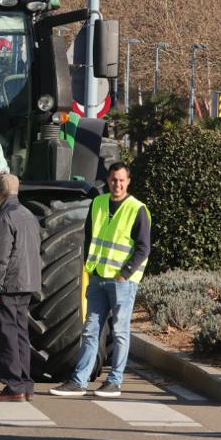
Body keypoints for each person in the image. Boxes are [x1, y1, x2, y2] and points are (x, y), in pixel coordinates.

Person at [51, 162, 153, 399]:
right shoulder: (97, 203)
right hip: (98, 277)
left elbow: (143, 247)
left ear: (128, 182)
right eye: (113, 179)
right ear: (107, 180)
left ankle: (115, 382)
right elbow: (89, 237)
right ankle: (79, 381)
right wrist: (89, 265)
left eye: (121, 180)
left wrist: (125, 273)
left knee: (119, 332)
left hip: (122, 282)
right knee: (90, 330)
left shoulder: (137, 209)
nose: (117, 184)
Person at [0, 172, 42, 401]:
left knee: (6, 335)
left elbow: (0, 256)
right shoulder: (28, 214)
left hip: (8, 284)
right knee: (20, 334)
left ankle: (14, 385)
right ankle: (25, 383)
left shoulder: (3, 216)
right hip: (26, 282)